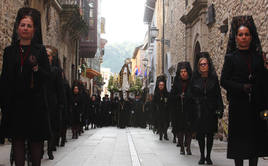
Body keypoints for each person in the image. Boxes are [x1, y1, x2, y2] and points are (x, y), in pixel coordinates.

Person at [0, 7, 51, 166]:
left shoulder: (40, 51)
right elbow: (5, 78)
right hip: (15, 105)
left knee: (35, 143)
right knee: (18, 141)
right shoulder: (9, 51)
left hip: (35, 105)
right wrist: (3, 103)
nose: (25, 28)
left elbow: (47, 77)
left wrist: (36, 68)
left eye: (29, 26)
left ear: (34, 29)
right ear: (17, 27)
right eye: (23, 25)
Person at [220, 15, 268, 166]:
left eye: (247, 34)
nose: (244, 37)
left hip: (255, 107)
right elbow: (224, 80)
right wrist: (241, 87)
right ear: (236, 37)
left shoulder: (258, 58)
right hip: (238, 106)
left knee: (254, 143)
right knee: (239, 144)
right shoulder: (230, 58)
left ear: (251, 37)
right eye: (241, 35)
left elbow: (263, 81)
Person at [191, 52, 223, 165]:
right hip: (199, 110)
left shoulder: (213, 79)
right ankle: (202, 155)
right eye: (201, 64)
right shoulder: (194, 80)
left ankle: (208, 156)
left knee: (209, 134)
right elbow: (192, 95)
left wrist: (220, 108)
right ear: (198, 66)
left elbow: (218, 95)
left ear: (208, 65)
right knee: (200, 134)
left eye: (205, 64)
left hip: (211, 110)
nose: (203, 66)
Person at [170, 62, 194, 155]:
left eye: (185, 71)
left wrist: (187, 95)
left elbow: (194, 94)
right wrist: (179, 96)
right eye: (181, 71)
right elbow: (172, 96)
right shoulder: (176, 83)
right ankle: (182, 148)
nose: (183, 73)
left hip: (189, 109)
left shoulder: (192, 82)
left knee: (189, 129)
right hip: (179, 110)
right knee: (180, 129)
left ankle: (188, 147)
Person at [153, 75, 170, 141]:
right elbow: (153, 103)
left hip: (165, 111)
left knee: (166, 123)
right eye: (160, 85)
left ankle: (165, 134)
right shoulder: (156, 94)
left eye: (162, 85)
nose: (161, 86)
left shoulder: (166, 93)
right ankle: (160, 134)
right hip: (158, 111)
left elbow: (168, 102)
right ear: (158, 85)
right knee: (159, 123)